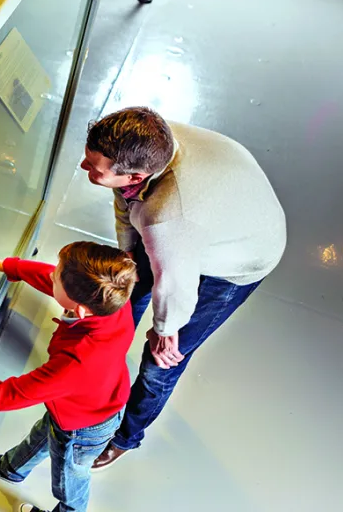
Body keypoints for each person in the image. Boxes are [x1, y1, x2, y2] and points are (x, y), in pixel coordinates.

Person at [77, 107, 287, 470]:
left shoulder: (167, 216)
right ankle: (101, 362)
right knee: (127, 287)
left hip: (240, 258)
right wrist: (128, 251)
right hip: (210, 216)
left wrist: (165, 331)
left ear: (138, 175)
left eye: (95, 167)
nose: (84, 167)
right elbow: (125, 201)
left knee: (161, 362)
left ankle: (125, 436)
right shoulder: (146, 144)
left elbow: (175, 283)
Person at [0, 239, 138, 512]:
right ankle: (12, 469)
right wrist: (1, 266)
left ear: (79, 309)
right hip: (84, 403)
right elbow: (49, 278)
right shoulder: (112, 301)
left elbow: (2, 396)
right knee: (42, 436)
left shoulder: (77, 362)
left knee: (69, 478)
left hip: (83, 428)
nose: (51, 274)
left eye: (57, 276)